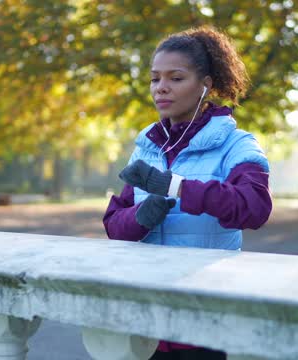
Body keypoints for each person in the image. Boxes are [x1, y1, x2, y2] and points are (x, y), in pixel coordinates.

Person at [102, 26, 272, 360]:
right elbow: (113, 222)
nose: (161, 88)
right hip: (147, 321)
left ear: (205, 84)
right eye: (154, 79)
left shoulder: (237, 145)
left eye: (175, 78)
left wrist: (176, 187)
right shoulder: (146, 148)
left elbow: (255, 208)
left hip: (206, 320)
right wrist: (141, 216)